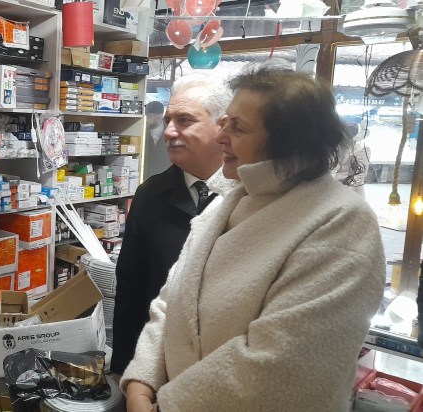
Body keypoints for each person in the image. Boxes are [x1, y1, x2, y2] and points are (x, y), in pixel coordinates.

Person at [121, 68, 385, 411]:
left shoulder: (341, 222)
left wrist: (166, 405)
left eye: (237, 127)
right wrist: (141, 380)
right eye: (224, 122)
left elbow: (281, 365)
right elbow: (171, 301)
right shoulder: (227, 203)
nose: (220, 136)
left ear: (289, 140)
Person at [112, 76, 232, 376]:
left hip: (223, 366)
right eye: (167, 120)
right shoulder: (149, 195)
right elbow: (131, 289)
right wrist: (124, 371)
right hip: (158, 363)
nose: (168, 131)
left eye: (184, 120)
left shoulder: (248, 195)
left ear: (222, 126)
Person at [332, 120, 371, 198]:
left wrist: (350, 191)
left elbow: (361, 173)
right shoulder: (339, 147)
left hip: (353, 188)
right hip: (337, 186)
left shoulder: (362, 149)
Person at [142, 100, 171, 179]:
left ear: (159, 117)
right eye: (145, 115)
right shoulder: (142, 131)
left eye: (149, 116)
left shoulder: (171, 133)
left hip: (167, 178)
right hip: (146, 177)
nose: (146, 119)